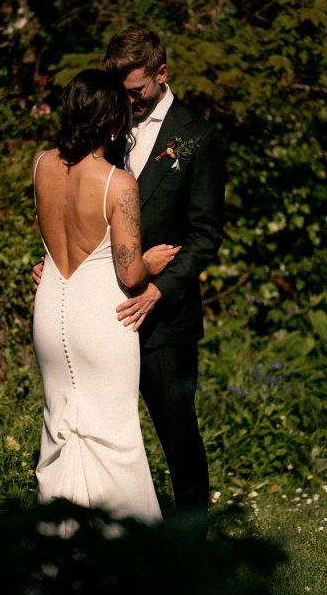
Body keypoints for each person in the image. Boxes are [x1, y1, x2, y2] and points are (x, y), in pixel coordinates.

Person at [33, 29, 226, 517]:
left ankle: (192, 555)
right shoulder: (103, 137)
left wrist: (158, 289)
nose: (126, 101)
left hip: (163, 320)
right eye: (119, 92)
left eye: (135, 91)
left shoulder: (197, 136)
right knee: (98, 431)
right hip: (98, 319)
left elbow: (206, 235)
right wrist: (62, 270)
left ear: (161, 75)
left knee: (179, 438)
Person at [32, 68, 180, 524]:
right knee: (115, 437)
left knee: (61, 431)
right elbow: (130, 273)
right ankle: (130, 555)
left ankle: (61, 547)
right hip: (102, 317)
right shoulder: (119, 183)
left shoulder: (40, 164)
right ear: (112, 122)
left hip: (51, 309)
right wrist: (155, 260)